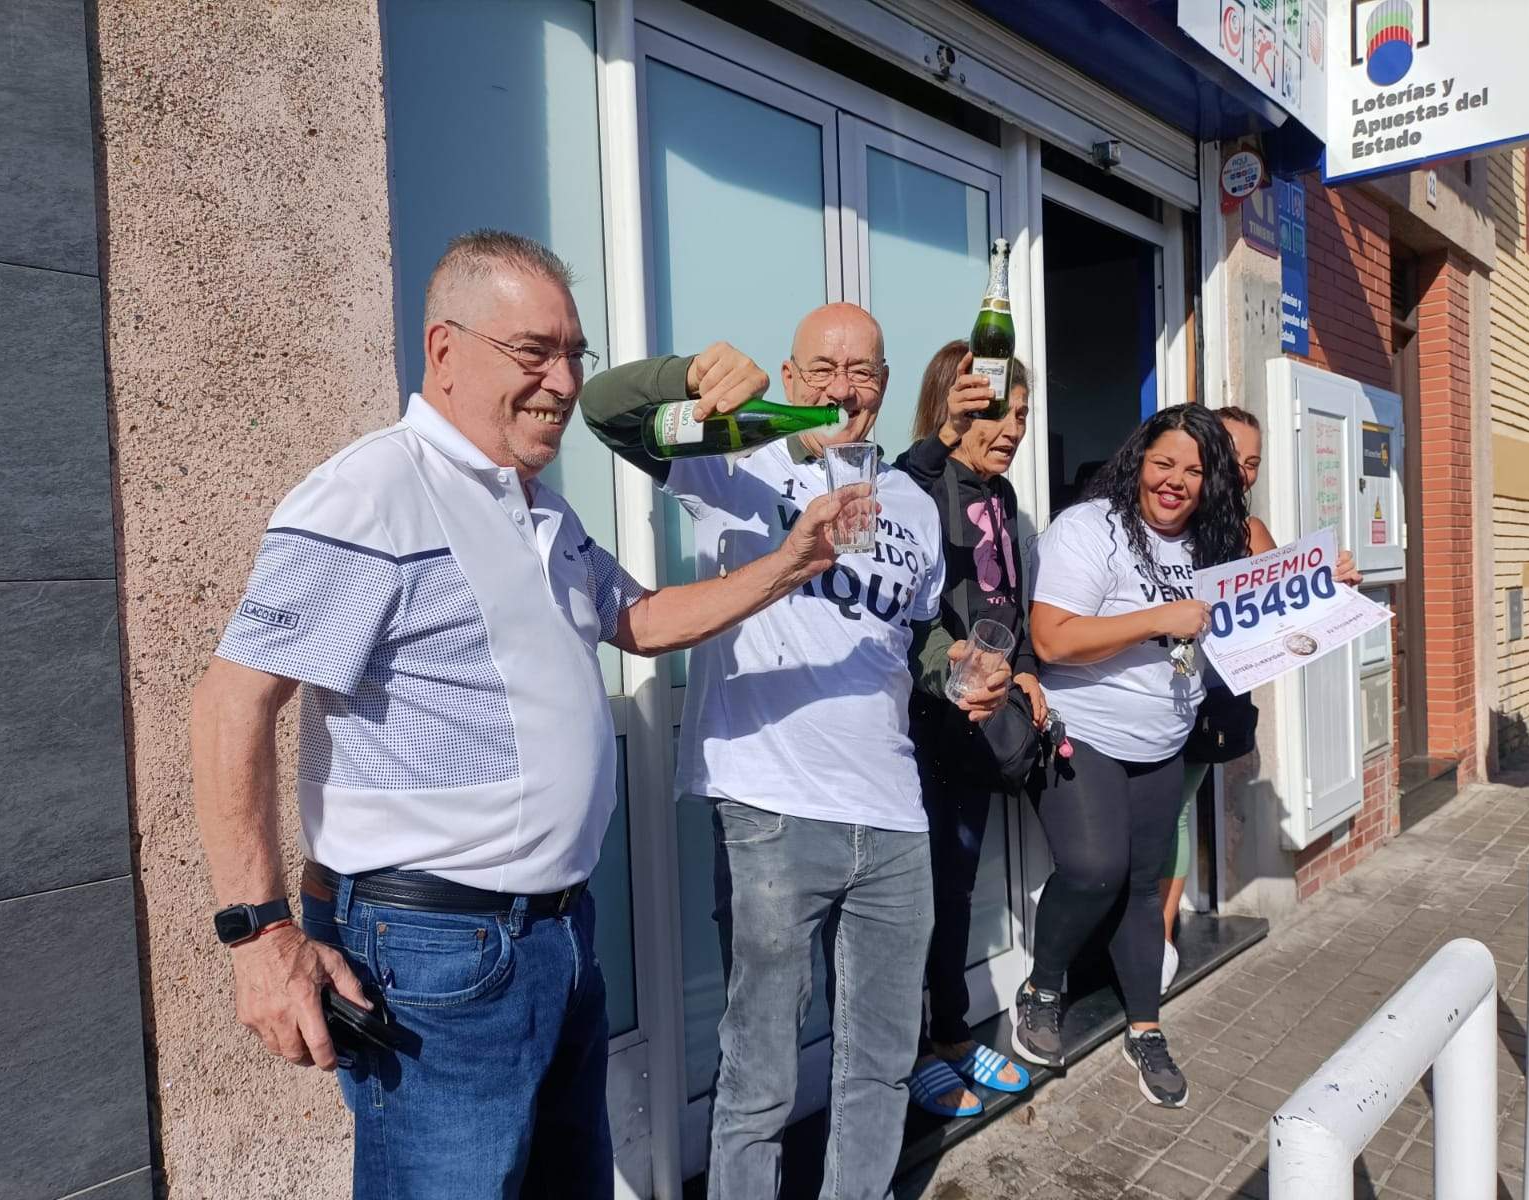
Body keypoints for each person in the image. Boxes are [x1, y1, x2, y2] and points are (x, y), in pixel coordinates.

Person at [189, 230, 873, 1200]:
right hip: (431, 957)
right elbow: (230, 701)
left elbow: (635, 619)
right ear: (443, 351)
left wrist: (789, 564)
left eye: (571, 354)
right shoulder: (374, 492)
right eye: (532, 352)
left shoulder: (538, 508)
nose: (560, 381)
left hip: (555, 937)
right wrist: (258, 940)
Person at [580, 305, 1009, 1199]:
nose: (839, 389)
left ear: (885, 387)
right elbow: (602, 407)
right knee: (762, 1071)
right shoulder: (735, 459)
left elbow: (909, 636)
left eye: (860, 372)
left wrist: (957, 667)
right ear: (790, 371)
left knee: (882, 1062)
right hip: (770, 805)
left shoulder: (911, 508)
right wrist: (690, 377)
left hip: (894, 816)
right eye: (820, 369)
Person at [1017, 404, 1249, 1109]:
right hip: (1082, 728)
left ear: (1214, 483)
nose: (1175, 481)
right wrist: (1158, 617)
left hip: (1162, 742)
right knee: (1094, 870)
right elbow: (1053, 638)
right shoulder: (1092, 529)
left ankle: (1145, 1026)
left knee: (1144, 889)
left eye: (1195, 470)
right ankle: (1043, 985)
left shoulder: (1215, 545)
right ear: (1138, 462)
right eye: (1164, 463)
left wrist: (1326, 590)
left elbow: (1265, 611)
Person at [1155, 406, 1363, 993]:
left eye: (1253, 463)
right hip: (1149, 695)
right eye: (1232, 457)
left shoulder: (1249, 533)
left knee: (1172, 812)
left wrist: (1334, 583)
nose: (1242, 473)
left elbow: (1292, 601)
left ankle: (1160, 934)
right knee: (1146, 817)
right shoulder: (1163, 522)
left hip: (1209, 700)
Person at [893, 341, 1046, 1118]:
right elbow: (907, 470)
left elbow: (1009, 607)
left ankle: (950, 1036)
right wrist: (944, 435)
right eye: (1001, 409)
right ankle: (910, 1052)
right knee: (910, 898)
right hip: (918, 728)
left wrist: (1022, 669)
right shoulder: (922, 483)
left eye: (1022, 412)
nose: (1015, 426)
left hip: (978, 728)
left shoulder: (1005, 498)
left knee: (954, 889)